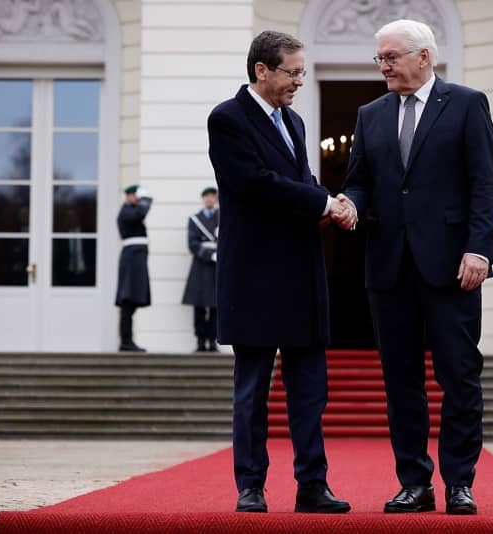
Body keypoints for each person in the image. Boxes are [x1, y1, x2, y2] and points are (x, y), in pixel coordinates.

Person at [334, 19, 493, 515]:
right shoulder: (370, 114)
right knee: (400, 382)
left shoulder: (468, 104)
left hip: (453, 266)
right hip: (389, 268)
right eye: (379, 58)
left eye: (391, 57)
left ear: (424, 57)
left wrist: (480, 249)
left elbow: (484, 185)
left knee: (460, 377)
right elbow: (360, 180)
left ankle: (460, 483)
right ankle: (415, 482)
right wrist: (349, 202)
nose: (383, 65)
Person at [207, 30, 352, 514]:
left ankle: (313, 484)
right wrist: (321, 201)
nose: (299, 82)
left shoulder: (293, 121)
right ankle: (251, 486)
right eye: (292, 72)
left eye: (303, 72)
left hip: (301, 274)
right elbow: (254, 184)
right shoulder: (227, 119)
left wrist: (334, 205)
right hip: (253, 276)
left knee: (311, 390)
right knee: (252, 391)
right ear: (261, 70)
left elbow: (301, 181)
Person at [182, 187, 220, 353]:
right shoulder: (195, 220)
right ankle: (200, 342)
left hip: (217, 267)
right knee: (198, 306)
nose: (210, 199)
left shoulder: (222, 218)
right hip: (200, 266)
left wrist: (220, 254)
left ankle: (212, 342)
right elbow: (192, 244)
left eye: (212, 197)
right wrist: (209, 254)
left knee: (215, 307)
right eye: (207, 197)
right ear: (203, 199)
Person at [115, 184, 152, 352]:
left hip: (137, 257)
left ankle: (127, 340)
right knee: (127, 300)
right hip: (132, 259)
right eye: (135, 196)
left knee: (133, 300)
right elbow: (140, 213)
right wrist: (145, 200)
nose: (137, 199)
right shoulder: (127, 211)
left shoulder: (130, 209)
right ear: (129, 196)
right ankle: (126, 341)